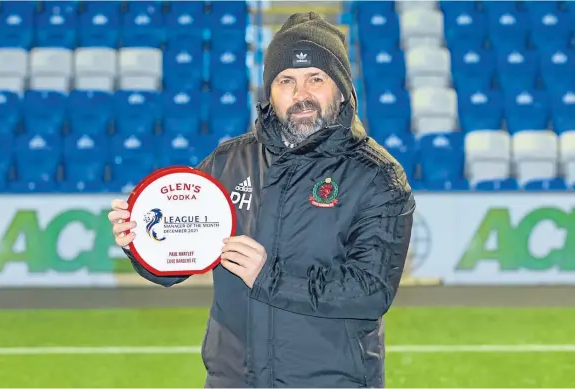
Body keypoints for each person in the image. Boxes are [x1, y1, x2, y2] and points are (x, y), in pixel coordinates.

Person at [109, 12, 415, 388]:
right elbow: (177, 262)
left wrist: (269, 277)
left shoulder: (377, 176)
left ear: (341, 88)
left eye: (315, 79)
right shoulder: (227, 163)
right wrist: (140, 240)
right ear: (270, 93)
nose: (301, 94)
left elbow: (371, 291)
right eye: (286, 80)